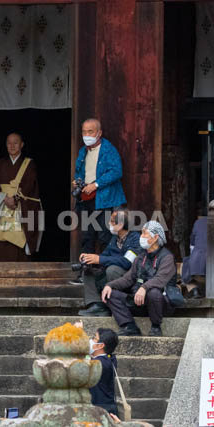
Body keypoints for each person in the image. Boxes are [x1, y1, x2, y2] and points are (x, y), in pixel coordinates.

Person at [102, 221, 178, 336]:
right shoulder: (140, 257)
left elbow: (160, 279)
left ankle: (156, 327)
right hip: (140, 302)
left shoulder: (167, 257)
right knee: (110, 294)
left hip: (161, 303)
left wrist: (144, 288)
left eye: (144, 234)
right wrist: (109, 285)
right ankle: (129, 326)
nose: (141, 237)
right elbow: (128, 279)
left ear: (155, 237)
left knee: (153, 292)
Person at [73, 118, 127, 276]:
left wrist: (95, 184)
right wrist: (77, 181)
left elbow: (117, 171)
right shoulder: (83, 151)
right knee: (87, 236)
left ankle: (106, 273)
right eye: (84, 132)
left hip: (105, 200)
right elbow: (79, 171)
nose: (86, 135)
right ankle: (85, 273)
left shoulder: (108, 149)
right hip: (86, 200)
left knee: (105, 236)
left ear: (99, 133)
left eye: (90, 132)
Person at [0, 133, 43, 262]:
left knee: (21, 240)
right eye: (9, 143)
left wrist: (16, 199)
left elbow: (30, 186)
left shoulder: (29, 164)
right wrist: (4, 198)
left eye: (15, 142)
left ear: (22, 145)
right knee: (1, 241)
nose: (12, 146)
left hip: (21, 208)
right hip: (2, 207)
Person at [78, 209, 141, 317]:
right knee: (88, 269)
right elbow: (105, 255)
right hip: (111, 272)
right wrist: (90, 258)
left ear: (120, 225)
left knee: (112, 269)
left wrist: (100, 259)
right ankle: (97, 305)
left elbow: (126, 262)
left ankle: (114, 303)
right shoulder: (114, 239)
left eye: (112, 221)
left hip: (128, 277)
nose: (109, 224)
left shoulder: (135, 239)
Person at [88, 328, 120, 415]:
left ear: (100, 345)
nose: (90, 340)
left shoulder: (101, 362)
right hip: (105, 407)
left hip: (100, 410)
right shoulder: (108, 359)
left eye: (94, 338)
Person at [180, 210, 208, 299]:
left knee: (184, 265)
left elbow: (192, 245)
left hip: (197, 266)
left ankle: (194, 290)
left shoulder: (198, 222)